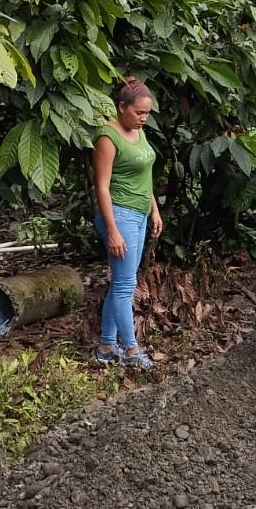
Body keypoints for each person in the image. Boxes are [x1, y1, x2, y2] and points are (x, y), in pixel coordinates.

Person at [91, 77, 162, 367]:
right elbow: (101, 187)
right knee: (124, 285)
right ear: (121, 107)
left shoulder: (137, 131)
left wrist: (154, 209)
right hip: (120, 215)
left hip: (140, 213)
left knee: (122, 283)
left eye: (147, 113)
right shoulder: (107, 138)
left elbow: (144, 174)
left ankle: (107, 347)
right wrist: (112, 230)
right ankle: (132, 352)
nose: (144, 118)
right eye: (138, 112)